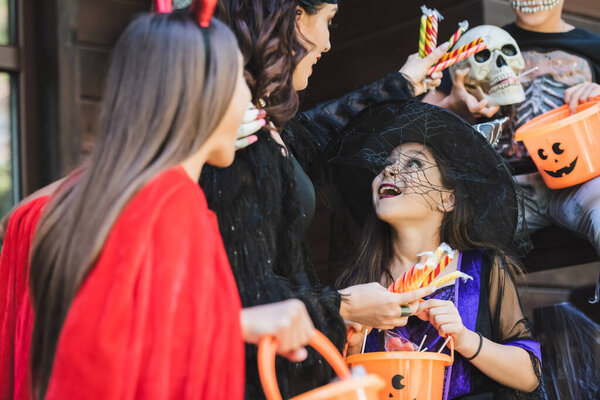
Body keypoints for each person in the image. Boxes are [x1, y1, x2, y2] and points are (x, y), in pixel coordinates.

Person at [0, 8, 317, 400]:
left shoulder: (109, 199)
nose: (247, 98)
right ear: (202, 91)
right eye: (238, 78)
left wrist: (237, 323)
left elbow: (134, 332)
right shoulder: (170, 204)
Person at [199, 0, 446, 397]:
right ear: (295, 18)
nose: (329, 44)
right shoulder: (236, 141)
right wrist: (344, 306)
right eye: (328, 21)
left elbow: (320, 128)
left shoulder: (265, 125)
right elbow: (250, 299)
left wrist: (403, 82)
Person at [333, 100, 543, 399]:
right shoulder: (359, 285)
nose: (390, 169)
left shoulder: (482, 267)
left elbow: (531, 375)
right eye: (386, 164)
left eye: (413, 164)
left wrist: (465, 338)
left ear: (448, 199)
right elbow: (343, 388)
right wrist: (352, 350)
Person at [423, 0, 600, 297]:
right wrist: (455, 105)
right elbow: (417, 122)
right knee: (454, 241)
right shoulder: (479, 45)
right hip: (507, 188)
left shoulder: (592, 46)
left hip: (578, 181)